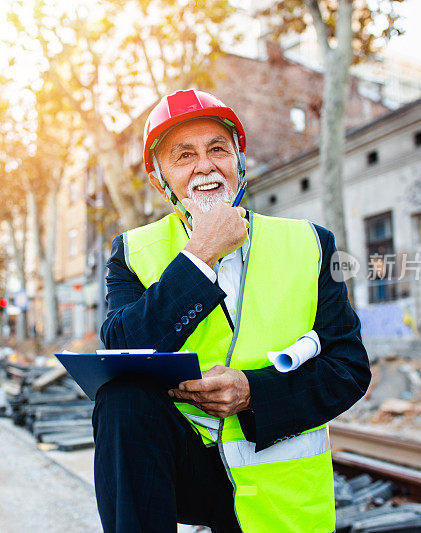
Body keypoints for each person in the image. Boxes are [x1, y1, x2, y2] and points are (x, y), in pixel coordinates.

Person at [95, 89, 371, 532]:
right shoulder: (131, 253)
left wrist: (252, 392)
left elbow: (349, 368)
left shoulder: (310, 244)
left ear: (239, 163)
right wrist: (200, 254)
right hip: (190, 473)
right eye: (184, 156)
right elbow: (125, 349)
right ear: (159, 180)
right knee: (121, 397)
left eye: (218, 149)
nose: (205, 165)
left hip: (276, 484)